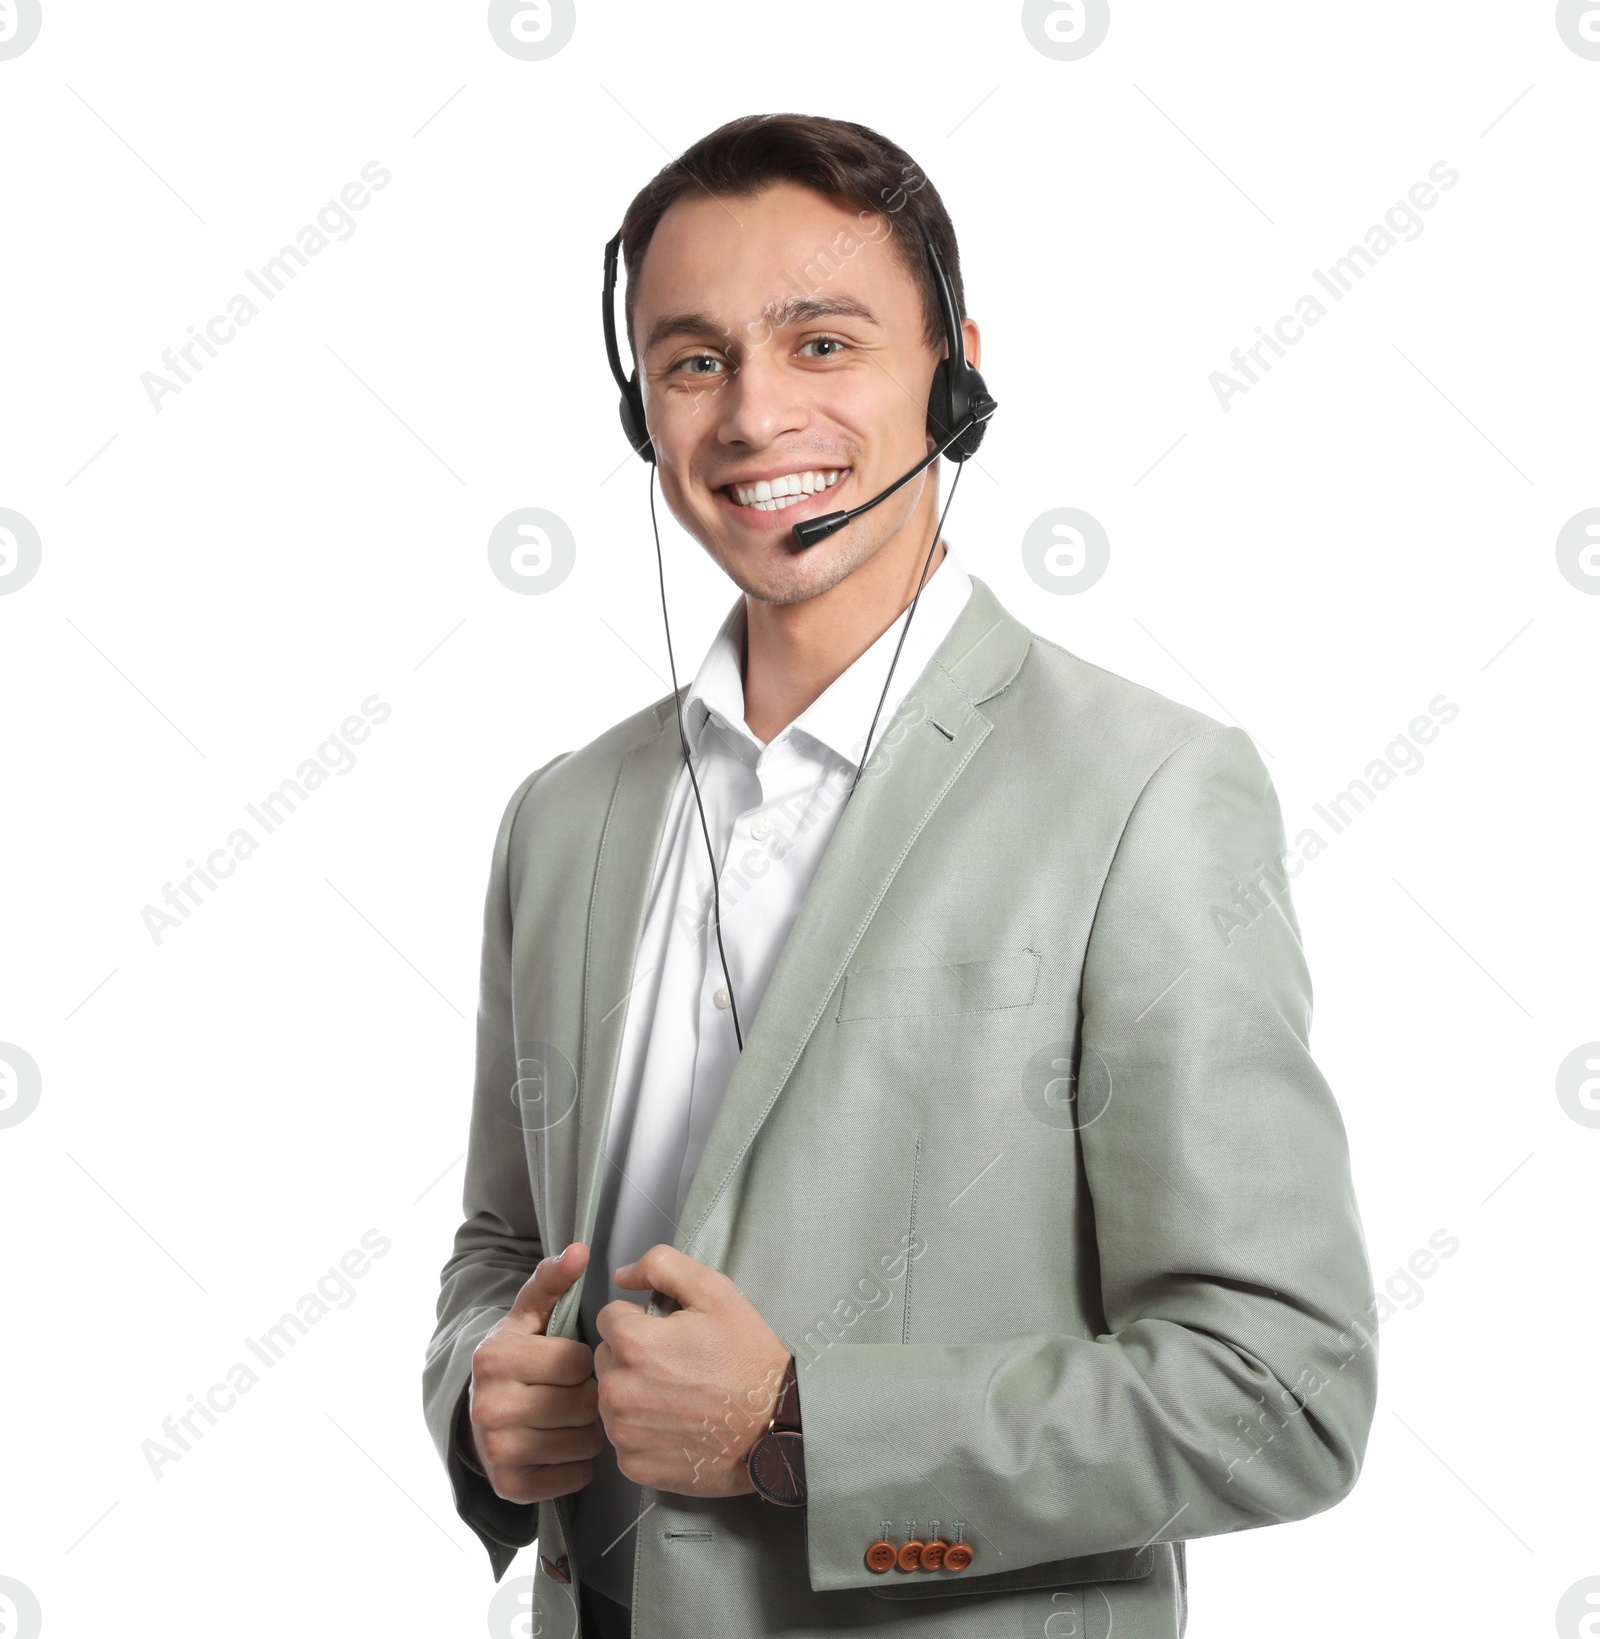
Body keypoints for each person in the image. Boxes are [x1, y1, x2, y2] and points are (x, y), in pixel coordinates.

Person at [423, 112, 1378, 1639]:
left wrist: (800, 1429)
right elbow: (498, 1247)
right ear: (642, 413)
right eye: (692, 360)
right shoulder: (563, 816)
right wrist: (485, 1392)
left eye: (822, 343)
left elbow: (1283, 1391)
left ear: (954, 374)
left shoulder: (1146, 791)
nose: (752, 417)